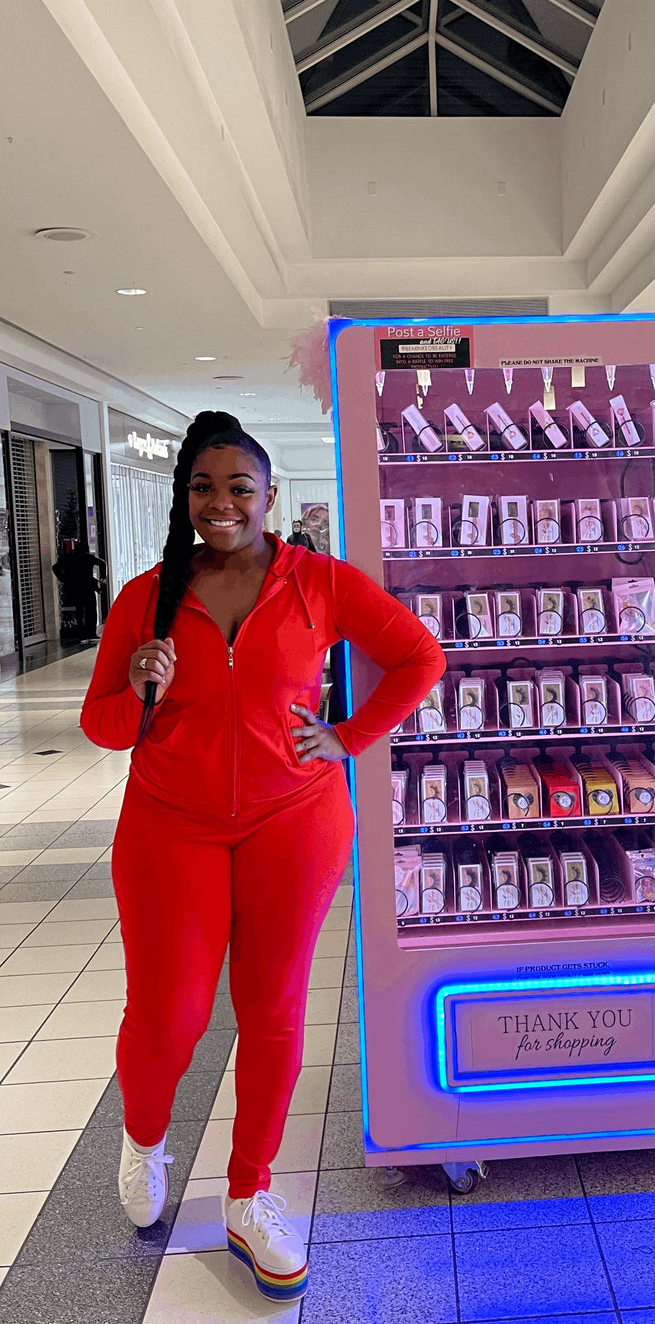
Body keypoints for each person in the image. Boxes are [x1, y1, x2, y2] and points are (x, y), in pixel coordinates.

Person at [80, 411, 443, 1304]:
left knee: (274, 1007)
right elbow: (103, 728)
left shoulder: (318, 582)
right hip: (170, 825)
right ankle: (144, 1137)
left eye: (239, 487)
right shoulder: (146, 597)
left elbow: (418, 656)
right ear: (184, 498)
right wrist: (137, 685)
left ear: (270, 496)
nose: (220, 504)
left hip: (295, 819)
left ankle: (250, 1193)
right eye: (203, 487)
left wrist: (348, 736)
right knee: (170, 1013)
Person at [53, 539, 106, 641]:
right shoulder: (88, 558)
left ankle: (81, 633)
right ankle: (91, 632)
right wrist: (103, 577)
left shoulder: (69, 558)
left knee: (79, 611)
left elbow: (55, 567)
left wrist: (63, 578)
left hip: (75, 588)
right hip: (88, 587)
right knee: (91, 610)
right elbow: (102, 563)